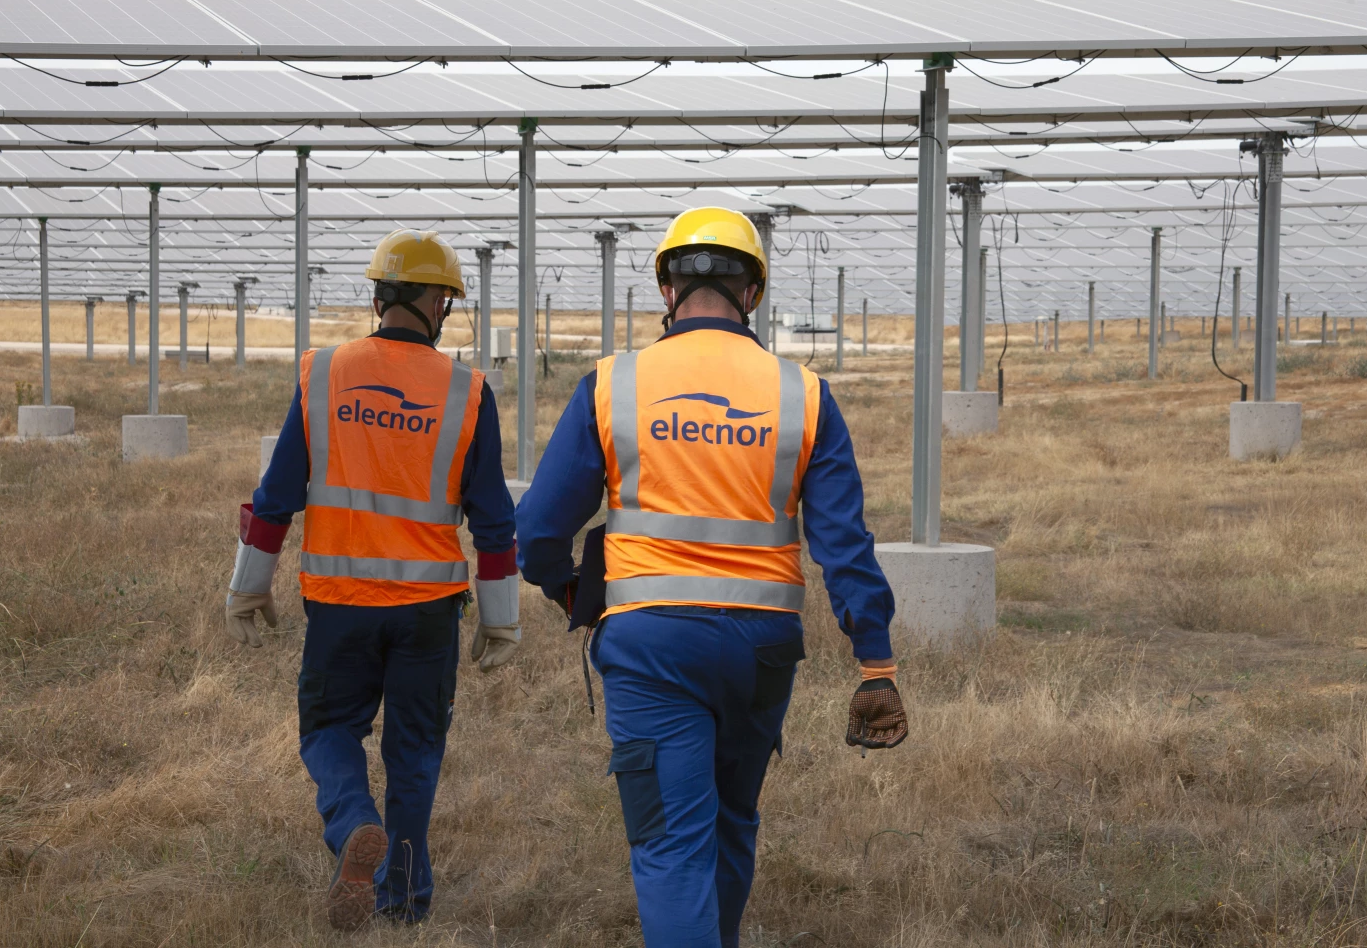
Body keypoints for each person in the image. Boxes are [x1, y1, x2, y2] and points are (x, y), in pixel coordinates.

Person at [516, 207, 906, 948]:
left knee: (670, 842)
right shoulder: (804, 394)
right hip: (762, 649)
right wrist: (875, 660)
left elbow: (537, 529)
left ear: (667, 288)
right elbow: (845, 546)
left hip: (651, 645)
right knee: (730, 821)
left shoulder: (613, 384)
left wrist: (565, 587)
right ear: (751, 293)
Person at [222, 228, 519, 931]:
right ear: (436, 302)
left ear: (380, 294)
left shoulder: (322, 374)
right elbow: (494, 520)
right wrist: (499, 615)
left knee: (328, 730)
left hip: (338, 602)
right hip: (428, 610)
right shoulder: (467, 391)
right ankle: (405, 903)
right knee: (414, 753)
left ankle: (355, 822)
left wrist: (248, 584)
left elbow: (276, 495)